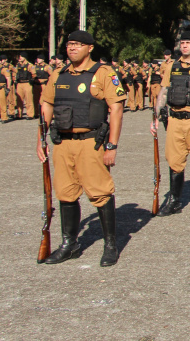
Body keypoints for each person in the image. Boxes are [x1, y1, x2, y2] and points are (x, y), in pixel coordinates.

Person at [36, 31, 126, 266]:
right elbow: (46, 104)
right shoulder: (58, 74)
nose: (72, 48)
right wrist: (40, 139)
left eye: (77, 44)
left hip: (91, 142)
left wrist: (112, 146)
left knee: (100, 192)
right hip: (62, 143)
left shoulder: (103, 73)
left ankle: (110, 245)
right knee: (65, 193)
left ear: (90, 48)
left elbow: (116, 109)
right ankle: (70, 244)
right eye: (69, 45)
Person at [151, 30, 190, 217]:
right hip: (175, 120)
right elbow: (164, 90)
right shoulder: (172, 66)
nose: (184, 45)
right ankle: (174, 201)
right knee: (174, 162)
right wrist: (156, 116)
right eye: (182, 42)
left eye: (188, 43)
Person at [16, 54, 36, 119]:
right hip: (19, 83)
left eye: (21, 56)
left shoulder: (30, 65)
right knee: (19, 100)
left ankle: (30, 114)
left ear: (25, 57)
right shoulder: (18, 65)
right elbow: (15, 72)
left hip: (27, 83)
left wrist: (32, 80)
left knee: (28, 99)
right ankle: (19, 114)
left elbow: (34, 74)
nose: (20, 58)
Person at [0, 55, 11, 122]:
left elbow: (8, 78)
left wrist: (8, 88)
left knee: (2, 104)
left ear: (0, 62)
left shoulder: (4, 69)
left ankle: (4, 118)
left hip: (1, 88)